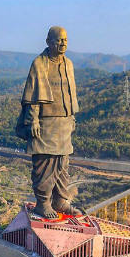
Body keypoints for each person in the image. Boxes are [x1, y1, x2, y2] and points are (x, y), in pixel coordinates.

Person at [16, 26, 82, 219]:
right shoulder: (39, 63)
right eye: (58, 40)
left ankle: (60, 200)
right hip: (45, 122)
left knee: (62, 163)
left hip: (64, 121)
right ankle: (43, 203)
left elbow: (70, 94)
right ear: (48, 41)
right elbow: (33, 97)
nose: (62, 44)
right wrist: (33, 120)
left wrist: (72, 117)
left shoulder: (68, 64)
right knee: (45, 163)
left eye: (65, 40)